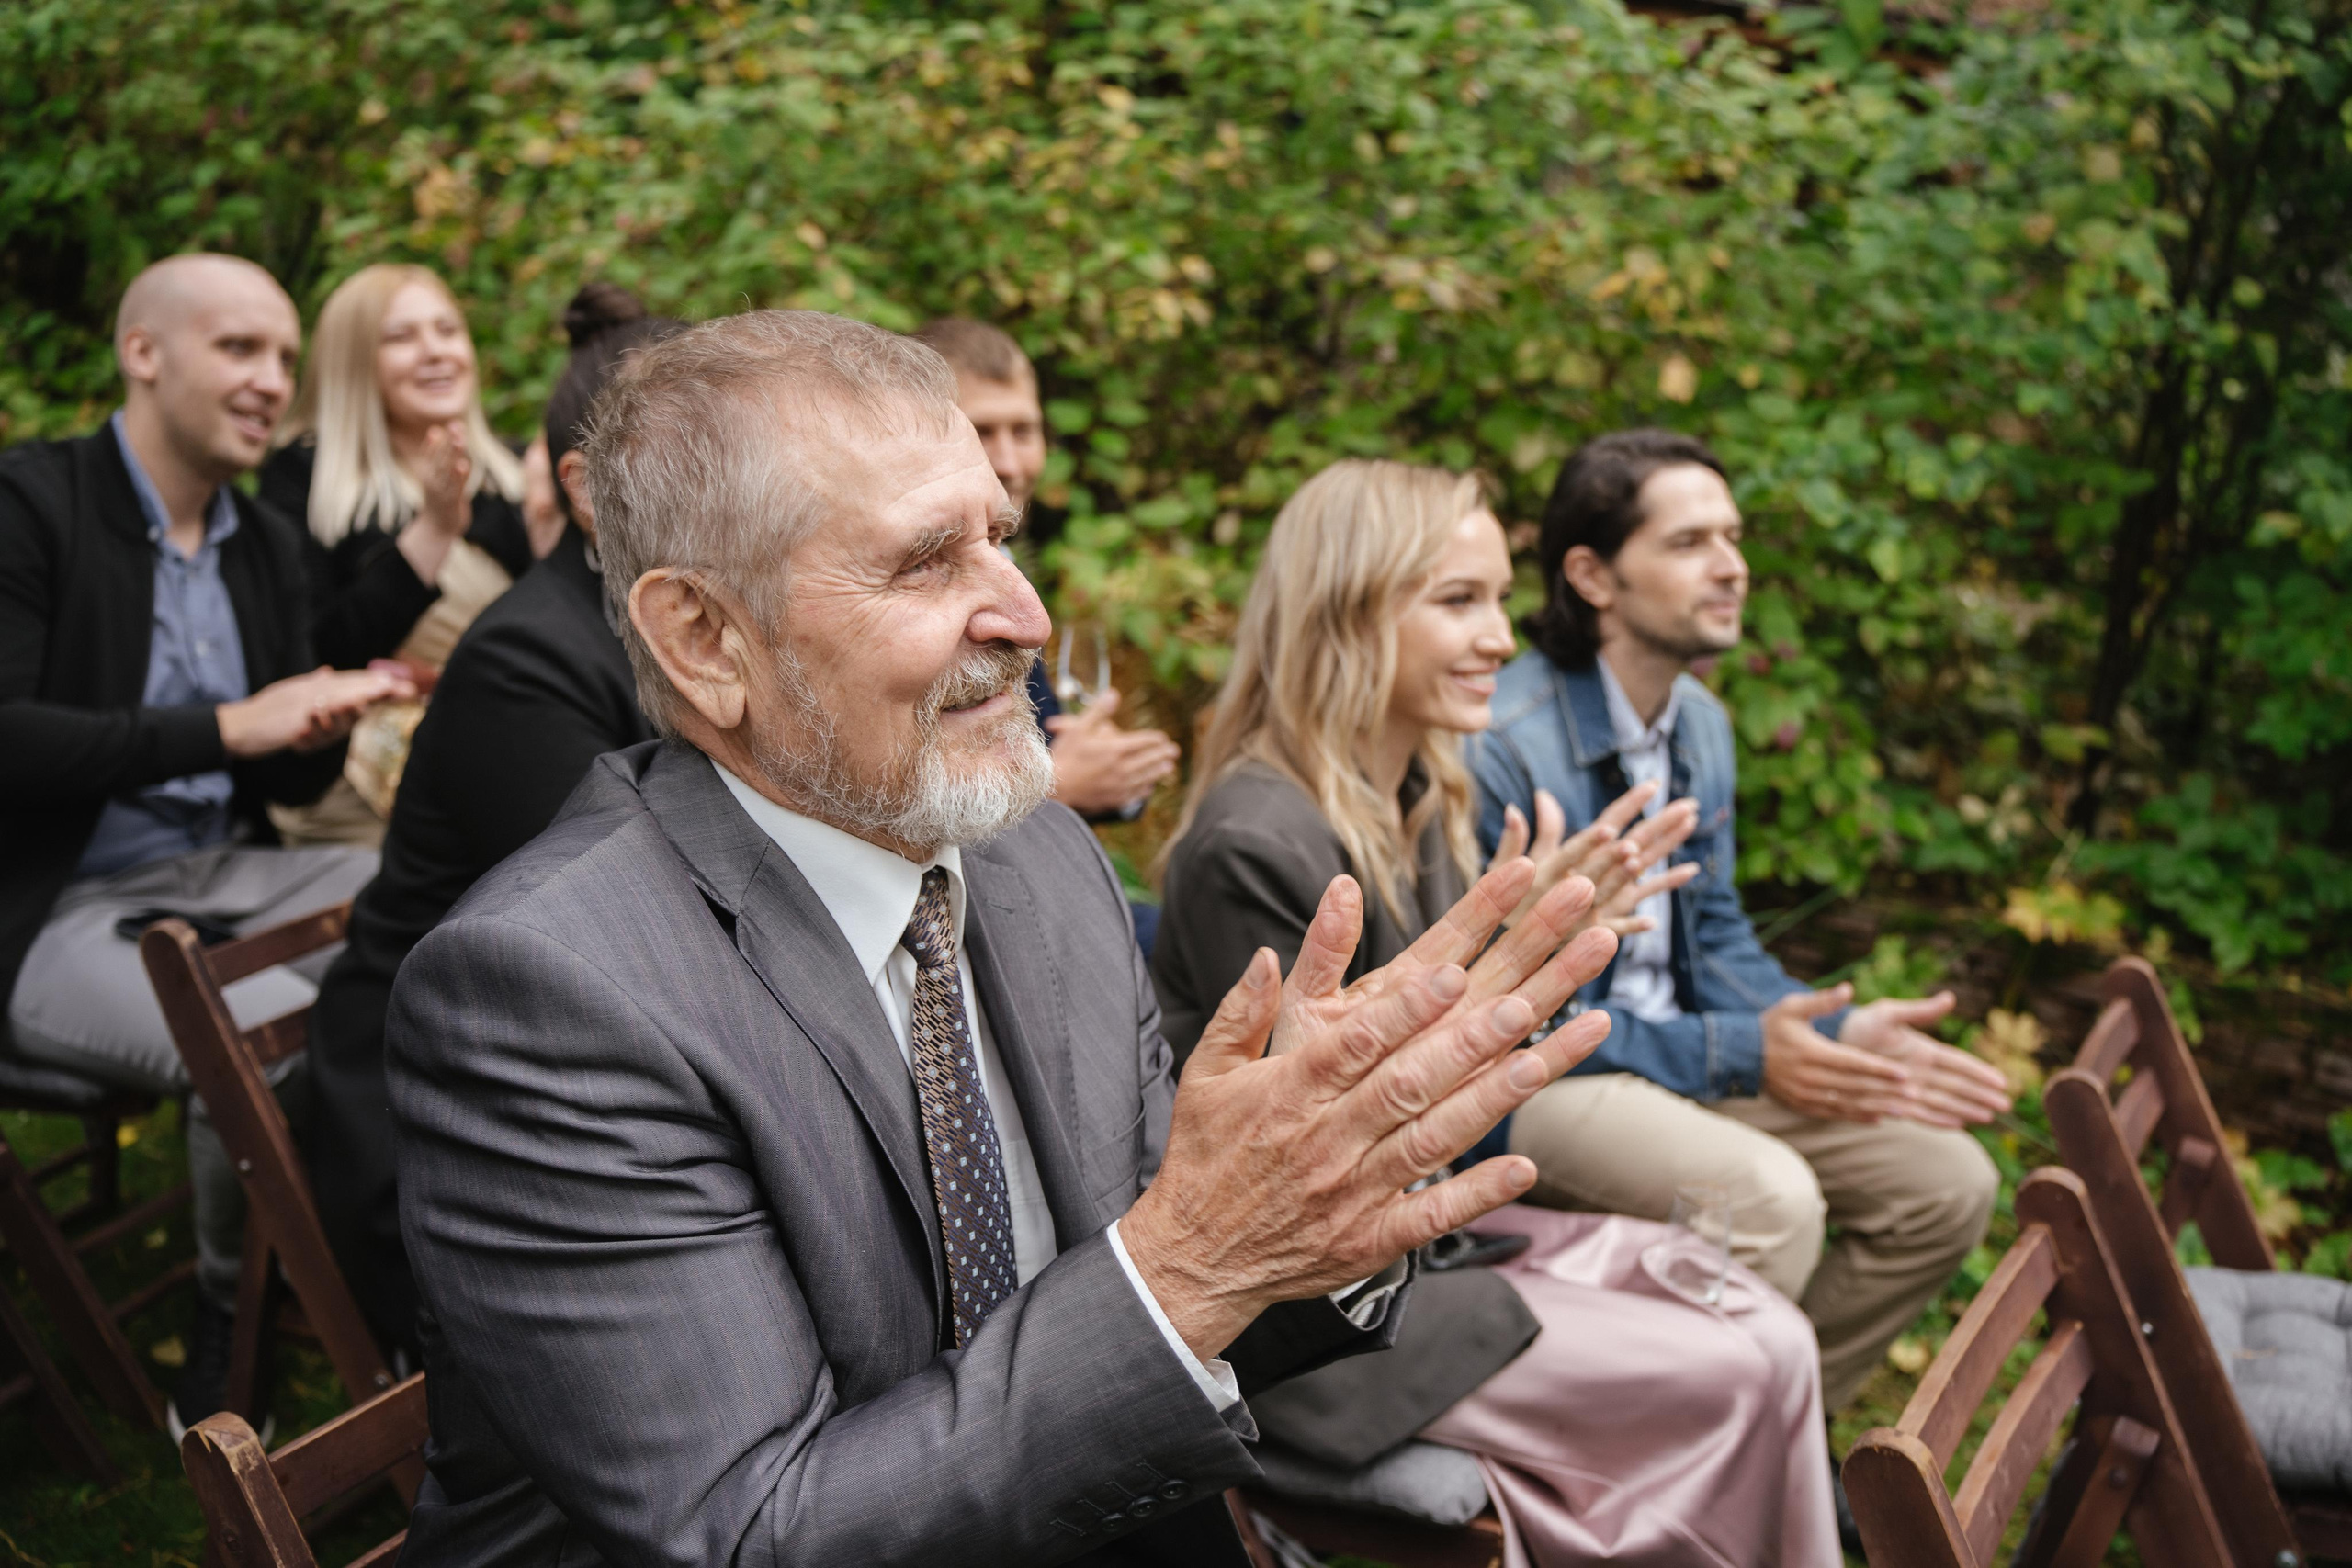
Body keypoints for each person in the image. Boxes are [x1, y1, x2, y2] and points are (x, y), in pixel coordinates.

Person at [385, 310, 1614, 1566]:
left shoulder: (1034, 856)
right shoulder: (551, 992)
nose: (1024, 615)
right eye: (926, 561)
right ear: (707, 638)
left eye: (1002, 538)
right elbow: (754, 1531)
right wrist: (1190, 1261)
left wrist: (1321, 1200)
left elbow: (1156, 1299)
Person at [1153, 458, 1838, 1566]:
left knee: (1768, 1329)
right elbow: (1325, 1157)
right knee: (1742, 1363)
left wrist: (1542, 948)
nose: (1500, 639)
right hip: (1331, 1325)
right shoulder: (1257, 842)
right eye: (1458, 601)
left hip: (1435, 1249)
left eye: (1498, 600)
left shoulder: (1420, 790)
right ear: (1347, 612)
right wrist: (1526, 968)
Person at [1471, 428, 2011, 1417]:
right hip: (1538, 1071)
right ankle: (1648, 1474)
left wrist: (1826, 1029)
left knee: (1946, 1182)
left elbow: (1711, 934)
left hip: (1673, 1053)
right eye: (1688, 543)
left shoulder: (1699, 722)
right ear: (1591, 574)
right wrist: (1742, 1053)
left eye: (1733, 536)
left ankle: (1757, 1447)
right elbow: (1505, 1016)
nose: (1732, 567)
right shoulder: (1501, 744)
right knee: (1771, 1202)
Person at [0, 254, 413, 1436]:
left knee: (442, 912)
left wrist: (317, 724)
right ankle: (241, 1317)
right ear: (144, 352)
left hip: (223, 870)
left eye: (284, 357)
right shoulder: (32, 507)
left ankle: (403, 1262)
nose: (272, 381)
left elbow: (287, 777)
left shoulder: (266, 544)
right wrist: (229, 724)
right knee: (265, 1039)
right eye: (240, 349)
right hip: (50, 906)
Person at [306, 283, 674, 1359]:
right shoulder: (528, 661)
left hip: (597, 1064)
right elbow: (633, 929)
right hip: (456, 1112)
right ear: (586, 492)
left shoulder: (677, 625)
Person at [259, 264, 539, 844]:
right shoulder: (301, 481)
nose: (434, 352)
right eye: (401, 337)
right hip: (359, 789)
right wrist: (434, 531)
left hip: (509, 734)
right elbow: (317, 652)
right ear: (353, 362)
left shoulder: (516, 475)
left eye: (447, 330)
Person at [911, 317, 1180, 821]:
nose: (1011, 463)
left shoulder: (1012, 573)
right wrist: (1059, 785)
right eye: (983, 431)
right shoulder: (912, 602)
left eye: (1025, 430)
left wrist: (1106, 772)